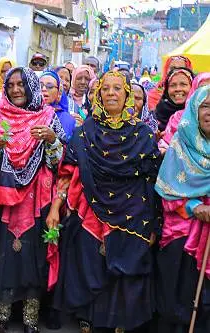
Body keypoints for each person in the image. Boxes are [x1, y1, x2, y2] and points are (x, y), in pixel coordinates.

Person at [50, 71, 161, 333]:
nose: (111, 93)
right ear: (98, 95)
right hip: (90, 212)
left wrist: (154, 222)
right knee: (92, 264)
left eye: (117, 89)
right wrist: (56, 207)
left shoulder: (143, 134)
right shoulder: (84, 133)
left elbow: (153, 181)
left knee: (125, 272)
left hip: (134, 213)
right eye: (105, 89)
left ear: (127, 96)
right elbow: (67, 174)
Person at [0, 67, 64, 333]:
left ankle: (30, 319)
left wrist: (51, 140)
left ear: (32, 87)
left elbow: (60, 163)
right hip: (4, 199)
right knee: (6, 255)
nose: (15, 90)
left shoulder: (47, 117)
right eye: (11, 84)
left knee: (33, 256)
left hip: (37, 201)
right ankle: (1, 316)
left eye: (21, 84)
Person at [155, 85, 210, 333]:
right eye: (205, 106)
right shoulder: (180, 145)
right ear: (195, 110)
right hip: (181, 235)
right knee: (177, 301)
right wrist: (194, 206)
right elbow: (167, 190)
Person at [158, 72, 210, 153]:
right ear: (194, 90)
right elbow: (166, 146)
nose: (206, 93)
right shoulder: (179, 117)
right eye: (202, 88)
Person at [39, 70, 76, 143]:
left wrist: (53, 139)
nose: (43, 89)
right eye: (40, 85)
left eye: (49, 86)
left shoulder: (66, 119)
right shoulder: (28, 113)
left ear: (59, 92)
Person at [155, 67, 194, 133]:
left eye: (183, 84)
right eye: (172, 85)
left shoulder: (200, 115)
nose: (178, 89)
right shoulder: (155, 117)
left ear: (192, 87)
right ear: (167, 89)